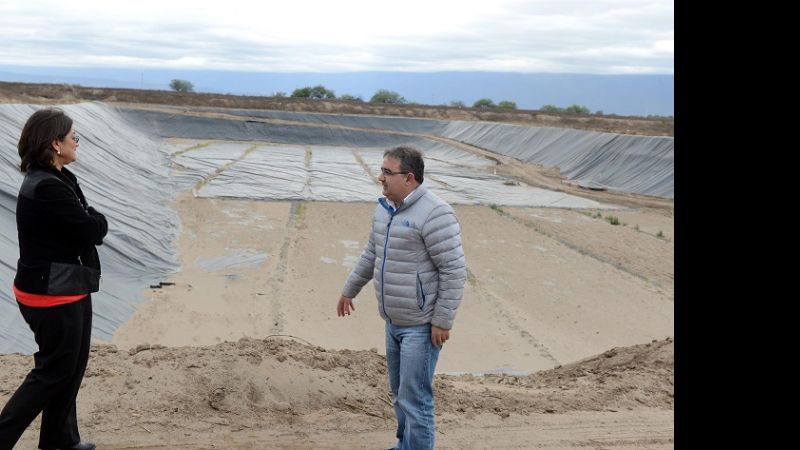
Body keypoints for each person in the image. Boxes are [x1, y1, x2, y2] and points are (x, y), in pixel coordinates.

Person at [336, 145, 466, 450]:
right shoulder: (384, 209)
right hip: (393, 321)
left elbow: (454, 270)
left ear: (409, 178)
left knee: (415, 398)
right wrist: (349, 290)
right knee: (399, 393)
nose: (380, 177)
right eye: (381, 170)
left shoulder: (435, 213)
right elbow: (372, 254)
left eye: (387, 172)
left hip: (421, 327)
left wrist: (442, 321)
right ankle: (404, 445)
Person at [0, 108, 107, 450]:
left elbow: (83, 224)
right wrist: (94, 220)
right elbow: (92, 228)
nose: (78, 142)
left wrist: (89, 220)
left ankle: (60, 439)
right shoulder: (47, 186)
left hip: (67, 285)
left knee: (71, 367)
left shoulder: (57, 177)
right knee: (53, 372)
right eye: (73, 137)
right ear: (55, 144)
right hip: (51, 293)